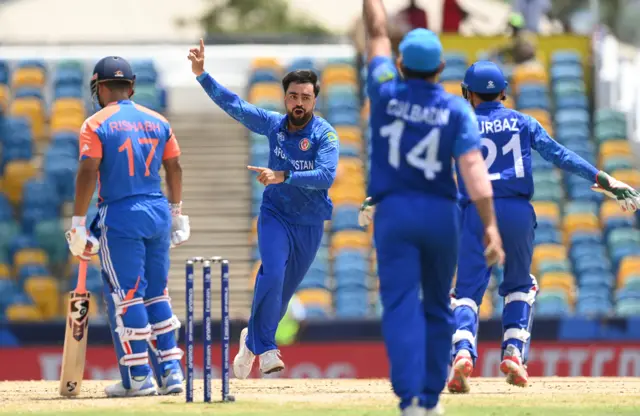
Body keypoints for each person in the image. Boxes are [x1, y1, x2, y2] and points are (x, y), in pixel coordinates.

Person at [446, 61, 640, 394]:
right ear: (504, 92)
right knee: (521, 285)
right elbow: (559, 154)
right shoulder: (522, 121)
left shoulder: (459, 125)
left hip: (476, 212)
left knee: (466, 293)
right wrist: (603, 178)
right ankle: (513, 354)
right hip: (518, 212)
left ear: (467, 94)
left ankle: (463, 353)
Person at [360, 1, 505, 414]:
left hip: (395, 214)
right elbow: (473, 168)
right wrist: (490, 226)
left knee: (401, 304)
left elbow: (376, 34)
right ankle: (430, 396)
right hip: (442, 214)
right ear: (441, 68)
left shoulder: (385, 89)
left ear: (402, 64)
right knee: (439, 305)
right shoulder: (456, 107)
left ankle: (410, 401)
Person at [187, 39, 339, 379]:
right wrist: (202, 75)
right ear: (285, 97)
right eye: (293, 96)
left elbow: (326, 176)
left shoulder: (325, 135)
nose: (299, 103)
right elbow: (236, 106)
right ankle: (267, 349)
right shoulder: (274, 124)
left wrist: (283, 175)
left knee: (282, 294)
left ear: (315, 99)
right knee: (272, 273)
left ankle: (250, 343)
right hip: (276, 215)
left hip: (310, 222)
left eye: (306, 97)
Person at [65, 56, 191, 397]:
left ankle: (138, 377)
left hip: (120, 214)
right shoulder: (158, 120)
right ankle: (171, 372)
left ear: (100, 88)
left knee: (128, 296)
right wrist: (177, 212)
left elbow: (88, 171)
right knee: (157, 292)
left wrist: (78, 223)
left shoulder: (95, 123)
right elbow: (174, 167)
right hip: (157, 210)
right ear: (132, 87)